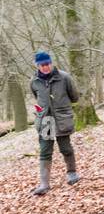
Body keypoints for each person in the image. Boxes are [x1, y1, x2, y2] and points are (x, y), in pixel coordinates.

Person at [30, 51, 81, 196]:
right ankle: (44, 183)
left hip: (62, 118)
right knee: (45, 151)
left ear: (51, 63)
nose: (45, 67)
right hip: (45, 120)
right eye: (42, 65)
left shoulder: (64, 77)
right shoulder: (34, 81)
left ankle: (72, 173)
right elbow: (37, 98)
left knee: (65, 148)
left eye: (47, 64)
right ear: (38, 66)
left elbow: (75, 97)